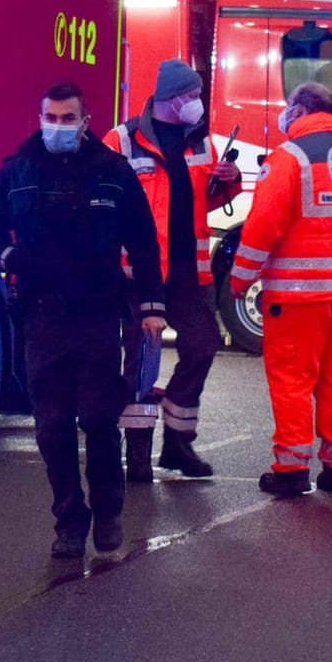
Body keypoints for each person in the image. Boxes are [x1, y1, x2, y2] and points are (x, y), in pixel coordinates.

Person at [0, 81, 166, 558]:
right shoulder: (16, 172)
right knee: (52, 427)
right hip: (42, 317)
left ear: (85, 123)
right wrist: (7, 255)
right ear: (40, 118)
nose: (57, 127)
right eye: (50, 118)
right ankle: (69, 521)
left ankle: (108, 513)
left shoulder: (113, 174)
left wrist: (150, 310)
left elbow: (144, 243)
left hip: (98, 314)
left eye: (67, 119)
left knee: (100, 421)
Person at [228, 83, 332, 496]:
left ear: (300, 110)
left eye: (287, 107)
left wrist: (241, 279)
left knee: (292, 379)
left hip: (298, 296)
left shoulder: (289, 158)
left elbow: (263, 226)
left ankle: (291, 469)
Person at [103, 59, 242, 481]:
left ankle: (178, 445)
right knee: (141, 363)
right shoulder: (122, 141)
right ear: (173, 97)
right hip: (139, 274)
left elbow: (204, 201)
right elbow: (104, 206)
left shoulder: (200, 142)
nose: (198, 103)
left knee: (202, 346)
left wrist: (229, 180)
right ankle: (139, 457)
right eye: (194, 95)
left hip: (187, 272)